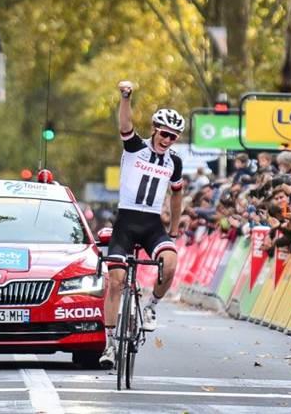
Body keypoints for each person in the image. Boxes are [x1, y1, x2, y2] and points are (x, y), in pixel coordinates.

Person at [100, 80, 184, 369]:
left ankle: (151, 307)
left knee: (171, 263)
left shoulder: (175, 162)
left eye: (173, 137)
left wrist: (173, 229)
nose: (167, 140)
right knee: (116, 282)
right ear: (154, 130)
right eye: (164, 133)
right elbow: (125, 124)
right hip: (125, 220)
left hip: (151, 224)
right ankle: (110, 343)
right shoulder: (135, 147)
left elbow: (177, 195)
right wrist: (125, 97)